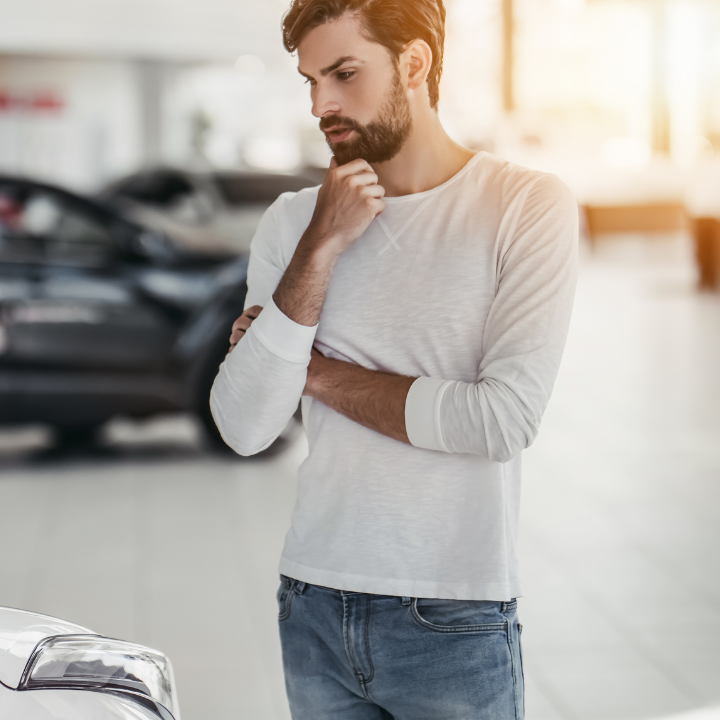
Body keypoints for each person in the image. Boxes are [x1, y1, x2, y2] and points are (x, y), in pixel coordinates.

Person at [209, 0, 579, 717]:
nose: (321, 103)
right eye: (310, 79)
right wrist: (320, 246)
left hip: (454, 615)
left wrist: (309, 370)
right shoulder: (294, 222)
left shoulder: (524, 206)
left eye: (344, 73)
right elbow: (244, 427)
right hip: (312, 599)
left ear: (415, 64)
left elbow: (500, 420)